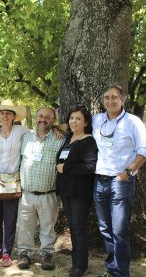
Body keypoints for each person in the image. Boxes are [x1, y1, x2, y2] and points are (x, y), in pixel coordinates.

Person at [93, 84, 146, 277]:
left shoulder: (133, 122)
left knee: (119, 230)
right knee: (104, 228)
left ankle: (121, 273)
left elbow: (143, 151)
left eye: (114, 97)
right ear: (103, 101)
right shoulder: (97, 120)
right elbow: (75, 126)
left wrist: (126, 173)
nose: (110, 101)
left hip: (121, 181)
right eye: (107, 97)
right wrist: (58, 128)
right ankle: (112, 269)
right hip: (99, 180)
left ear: (122, 100)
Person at [17, 107, 63, 271]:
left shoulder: (60, 140)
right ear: (36, 118)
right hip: (26, 194)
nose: (43, 119)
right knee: (25, 226)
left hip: (48, 193)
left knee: (47, 226)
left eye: (48, 117)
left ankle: (46, 254)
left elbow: (72, 128)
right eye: (41, 116)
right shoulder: (25, 137)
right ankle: (24, 253)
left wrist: (58, 129)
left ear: (53, 120)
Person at [56, 106, 98, 277]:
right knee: (72, 227)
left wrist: (66, 168)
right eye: (71, 118)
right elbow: (59, 126)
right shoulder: (69, 138)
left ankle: (81, 265)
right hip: (67, 191)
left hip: (80, 192)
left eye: (78, 119)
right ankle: (77, 261)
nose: (73, 121)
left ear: (86, 122)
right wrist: (54, 127)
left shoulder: (88, 141)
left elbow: (90, 167)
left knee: (79, 227)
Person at [0, 99, 27, 267]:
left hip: (13, 180)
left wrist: (57, 129)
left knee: (10, 217)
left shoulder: (22, 131)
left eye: (8, 113)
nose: (5, 115)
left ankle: (6, 252)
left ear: (14, 116)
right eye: (2, 113)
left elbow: (41, 132)